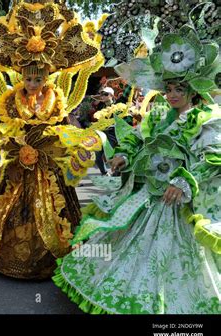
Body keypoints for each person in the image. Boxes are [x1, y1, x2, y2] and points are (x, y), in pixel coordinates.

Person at [53, 21, 221, 313]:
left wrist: (184, 181)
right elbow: (141, 143)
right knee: (131, 248)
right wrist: (124, 157)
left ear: (193, 89)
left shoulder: (206, 118)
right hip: (151, 197)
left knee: (177, 259)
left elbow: (212, 158)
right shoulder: (158, 115)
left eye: (179, 88)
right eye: (168, 88)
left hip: (181, 203)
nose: (172, 94)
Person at [0, 0, 108, 279]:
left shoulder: (57, 100)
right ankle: (9, 258)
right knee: (13, 205)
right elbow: (7, 126)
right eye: (28, 78)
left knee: (54, 208)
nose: (32, 83)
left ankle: (54, 259)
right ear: (23, 77)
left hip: (49, 162)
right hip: (19, 162)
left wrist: (71, 141)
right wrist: (3, 144)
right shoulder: (13, 100)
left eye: (37, 78)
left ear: (46, 77)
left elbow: (64, 126)